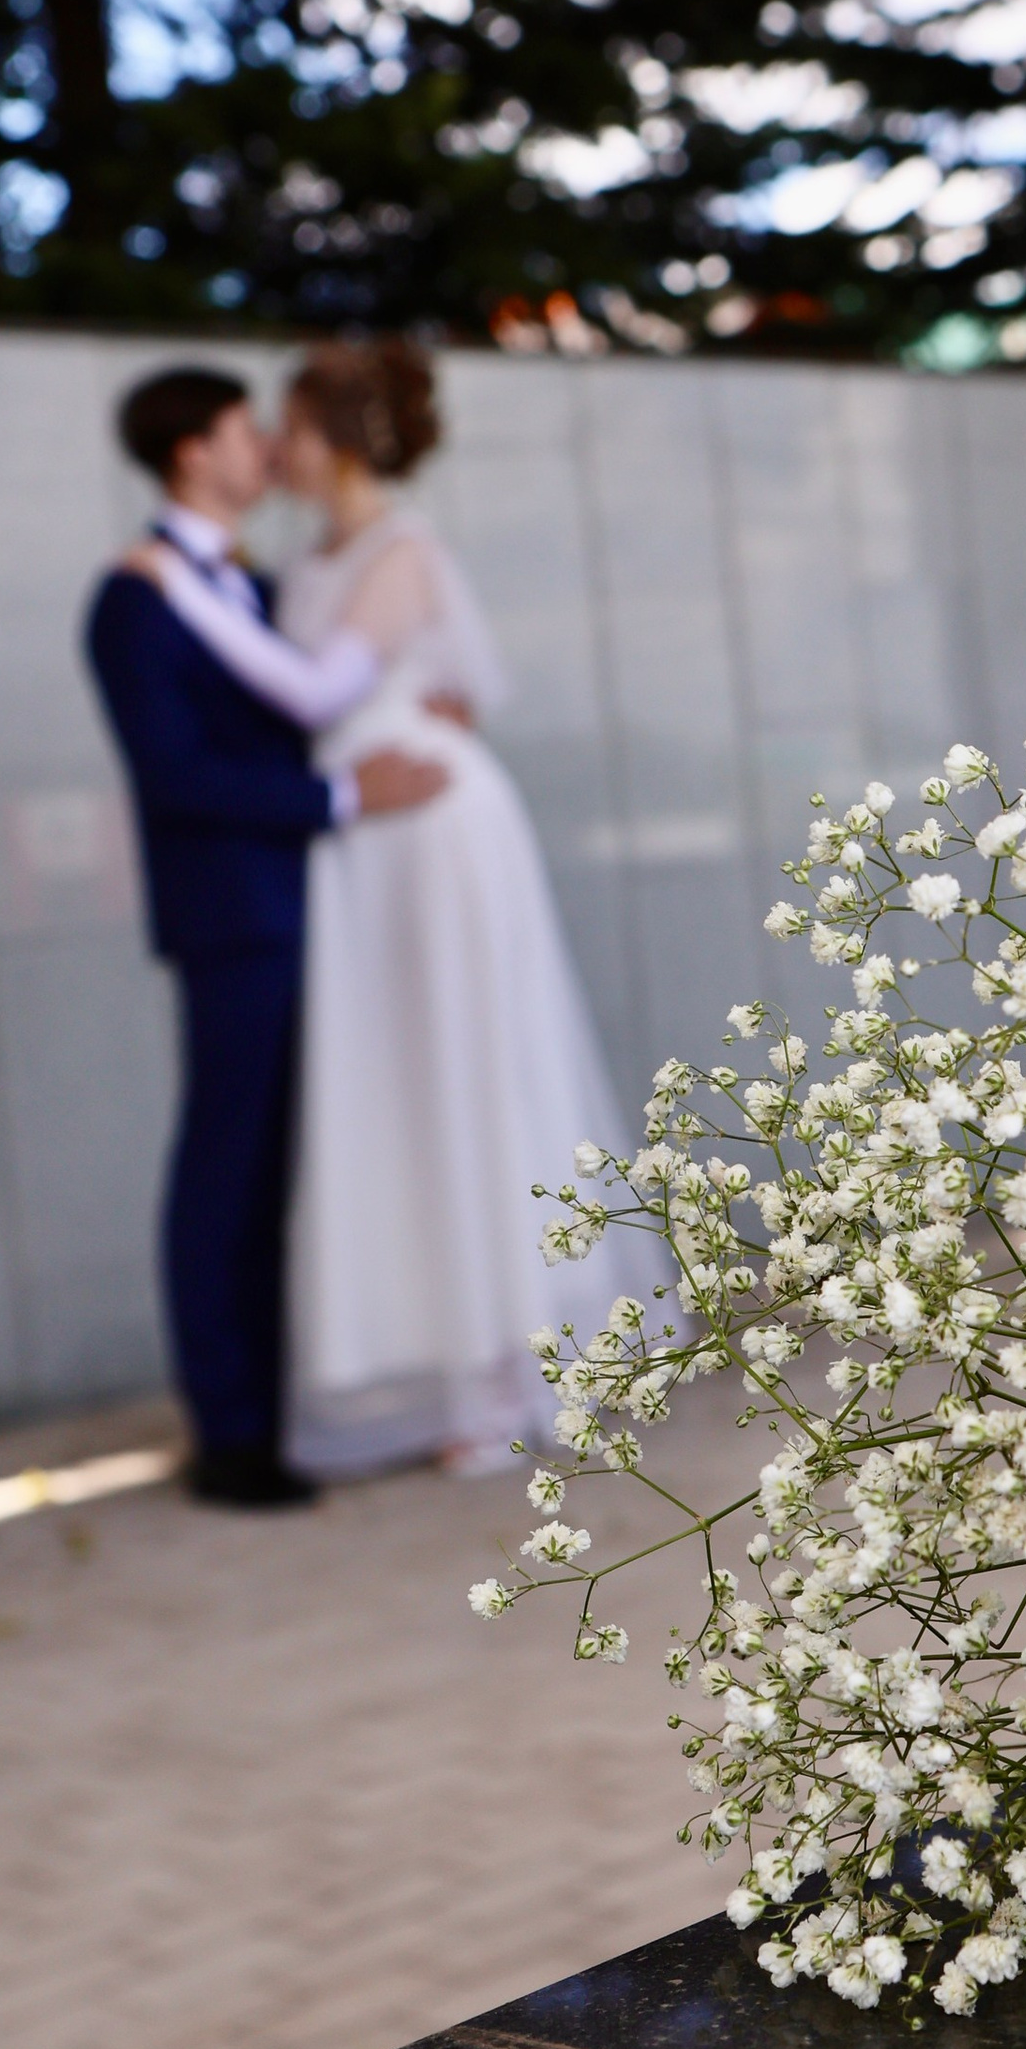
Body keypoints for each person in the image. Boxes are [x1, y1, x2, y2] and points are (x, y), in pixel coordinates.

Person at [131, 341, 621, 1477]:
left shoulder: (399, 549)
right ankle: (448, 1364)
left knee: (466, 1071)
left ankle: (506, 1366)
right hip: (358, 844)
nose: (273, 448)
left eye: (288, 427)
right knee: (398, 1089)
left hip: (429, 829)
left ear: (334, 438)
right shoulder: (295, 563)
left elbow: (315, 691)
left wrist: (173, 592)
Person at [86, 367, 445, 1510]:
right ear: (192, 451)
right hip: (235, 920)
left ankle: (287, 1406)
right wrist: (343, 803)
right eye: (247, 431)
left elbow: (321, 701)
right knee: (228, 1168)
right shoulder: (133, 598)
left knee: (295, 1165)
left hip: (316, 908)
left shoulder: (264, 582)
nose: (265, 451)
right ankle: (228, 1431)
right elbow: (177, 776)